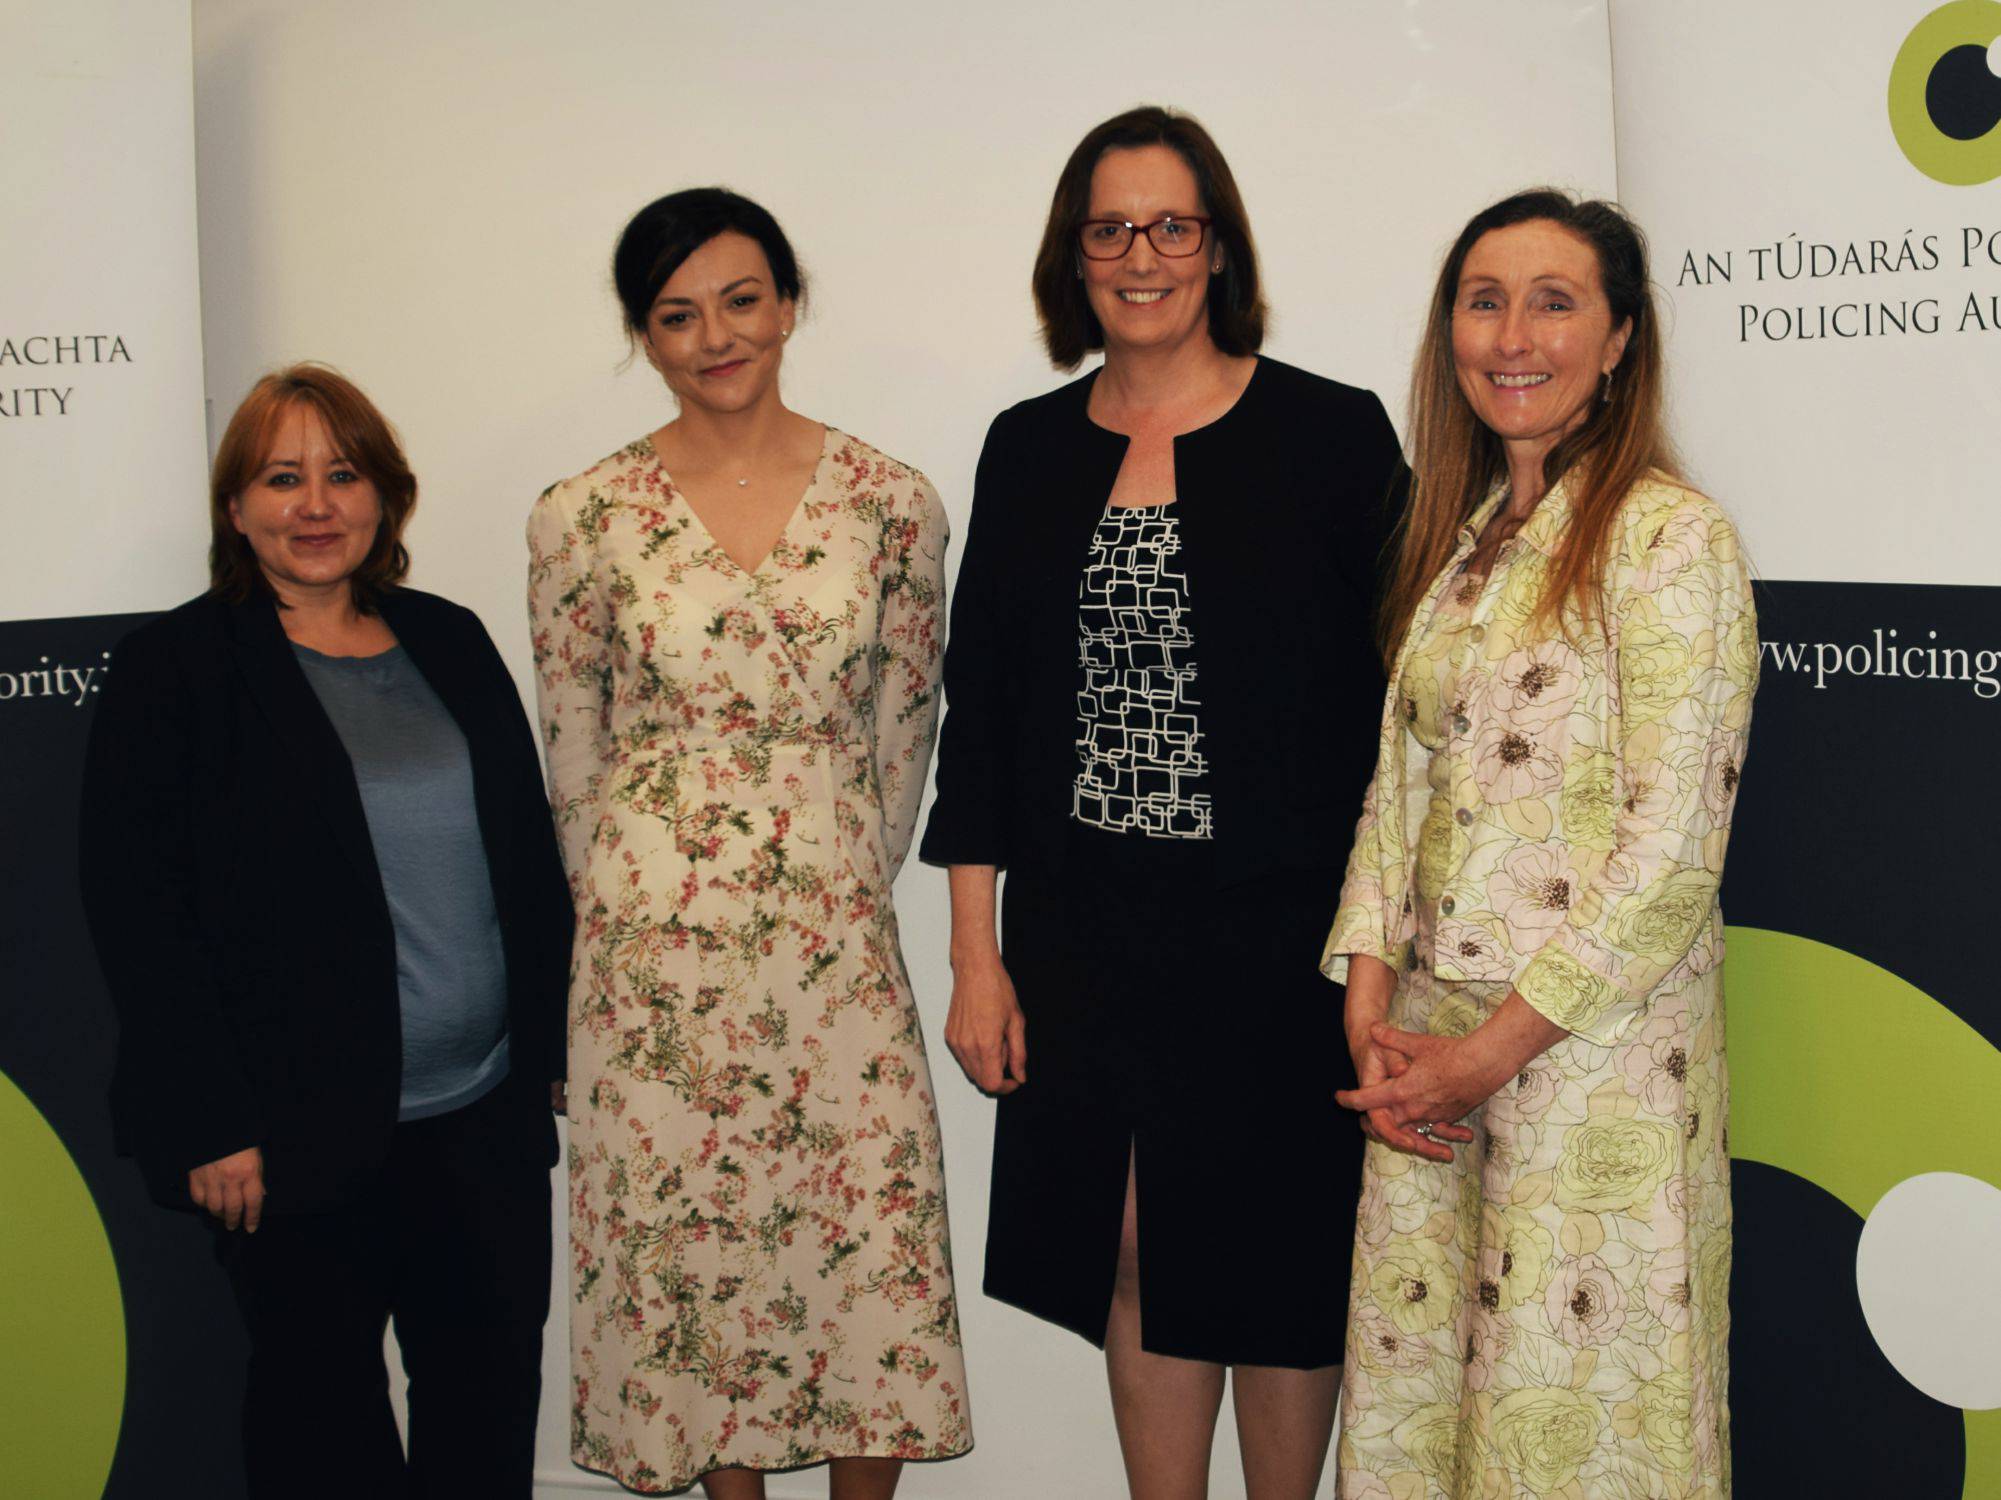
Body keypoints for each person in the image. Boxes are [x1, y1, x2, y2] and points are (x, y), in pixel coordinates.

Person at [919, 106, 1403, 1500]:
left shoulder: (1330, 435)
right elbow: (988, 720)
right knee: (1130, 1246)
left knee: (1278, 1254)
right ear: (1073, 256)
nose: (1142, 256)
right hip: (1087, 930)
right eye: (1110, 228)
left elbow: (1407, 718)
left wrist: (1383, 949)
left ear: (1218, 244)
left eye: (1171, 224)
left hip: (1283, 932)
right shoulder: (1026, 449)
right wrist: (974, 955)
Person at [529, 188, 969, 1500]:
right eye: (676, 315)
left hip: (831, 944)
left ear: (786, 303)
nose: (714, 335)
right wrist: (644, 901)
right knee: (696, 1258)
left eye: (738, 300)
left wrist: (822, 872)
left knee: (863, 1251)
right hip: (650, 961)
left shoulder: (892, 503)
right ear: (642, 337)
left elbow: (905, 739)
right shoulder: (581, 516)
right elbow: (575, 762)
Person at [1324, 189, 1755, 1499]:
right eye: (1483, 298)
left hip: (1590, 1079)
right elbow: (1395, 795)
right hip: (1430, 1087)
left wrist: (1485, 1055)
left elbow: (1674, 845)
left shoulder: (1671, 540)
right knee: (1428, 1426)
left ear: (1619, 339)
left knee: (1576, 1433)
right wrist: (1370, 1014)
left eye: (1555, 300)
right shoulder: (1459, 547)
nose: (1513, 333)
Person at [77, 362, 571, 1498]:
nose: (316, 505)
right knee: (323, 1437)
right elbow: (140, 916)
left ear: (384, 495)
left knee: (484, 1419)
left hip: (480, 1125)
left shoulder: (448, 640)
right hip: (288, 1142)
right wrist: (207, 1117)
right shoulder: (177, 671)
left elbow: (524, 859)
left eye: (342, 475)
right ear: (236, 505)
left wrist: (544, 1050)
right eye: (281, 477)